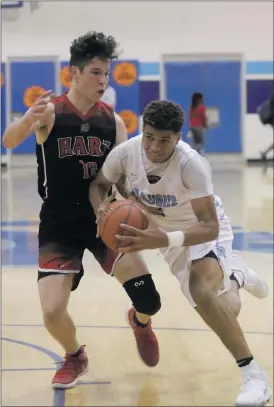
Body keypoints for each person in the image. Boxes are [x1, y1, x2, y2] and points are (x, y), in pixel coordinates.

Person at [2, 31, 162, 389]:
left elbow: (120, 179)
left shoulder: (114, 122)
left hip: (103, 217)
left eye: (107, 72)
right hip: (59, 223)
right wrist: (28, 119)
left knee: (150, 299)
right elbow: (9, 141)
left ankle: (139, 321)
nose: (103, 80)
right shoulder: (50, 113)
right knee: (52, 313)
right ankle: (75, 355)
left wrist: (133, 202)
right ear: (73, 74)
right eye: (95, 72)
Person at [89, 100, 271, 406]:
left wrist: (161, 239)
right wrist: (100, 211)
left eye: (165, 140)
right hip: (163, 235)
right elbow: (100, 183)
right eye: (149, 137)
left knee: (203, 291)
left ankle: (254, 376)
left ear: (178, 138)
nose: (154, 147)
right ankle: (237, 276)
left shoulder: (191, 164)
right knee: (227, 309)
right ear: (142, 131)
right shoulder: (126, 153)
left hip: (202, 231)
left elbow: (209, 226)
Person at [188, 92, 208, 156]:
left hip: (192, 126)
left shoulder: (191, 107)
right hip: (199, 127)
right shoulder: (201, 107)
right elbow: (203, 118)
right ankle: (201, 156)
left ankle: (193, 154)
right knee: (201, 143)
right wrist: (205, 125)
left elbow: (190, 117)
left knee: (195, 142)